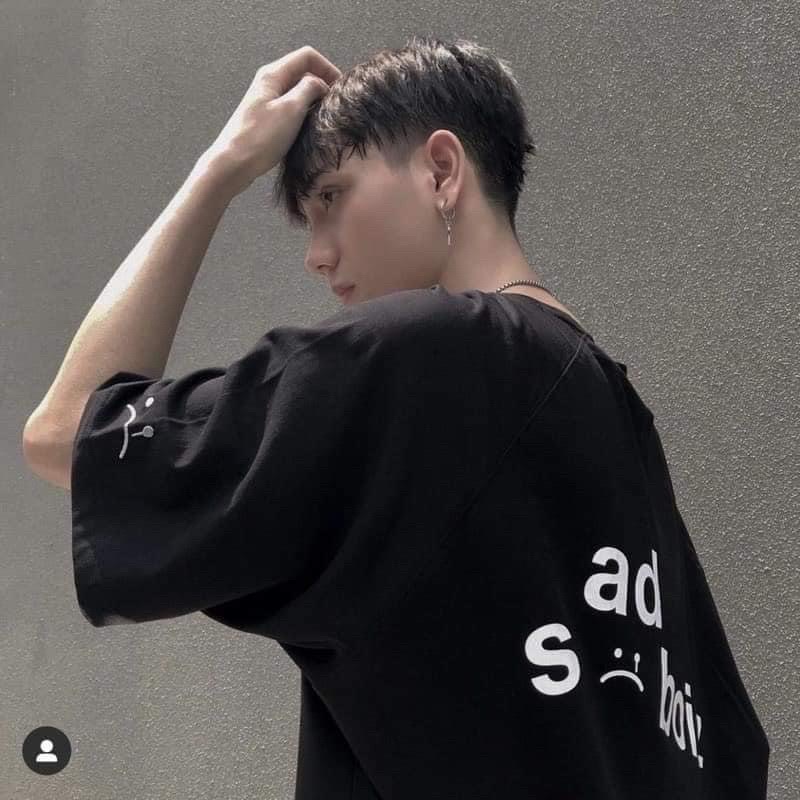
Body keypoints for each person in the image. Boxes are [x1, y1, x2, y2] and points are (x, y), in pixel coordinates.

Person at [25, 36, 769, 799]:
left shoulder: (424, 358)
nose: (316, 255)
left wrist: (220, 170)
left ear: (441, 171)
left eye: (331, 197)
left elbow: (66, 432)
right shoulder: (622, 425)